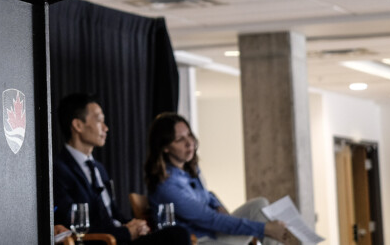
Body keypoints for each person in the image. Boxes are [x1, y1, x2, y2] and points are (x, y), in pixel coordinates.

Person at [53, 93, 191, 245]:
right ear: (78, 125)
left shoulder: (98, 168)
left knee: (176, 233)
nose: (106, 128)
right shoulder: (58, 170)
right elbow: (75, 226)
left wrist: (135, 225)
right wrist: (125, 232)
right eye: (99, 120)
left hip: (120, 237)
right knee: (178, 235)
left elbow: (114, 215)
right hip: (104, 241)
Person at [144, 112, 292, 245]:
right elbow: (209, 219)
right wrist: (264, 228)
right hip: (201, 241)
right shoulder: (166, 186)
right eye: (180, 139)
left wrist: (217, 204)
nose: (189, 143)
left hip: (213, 234)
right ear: (165, 148)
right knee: (268, 226)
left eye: (189, 135)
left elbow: (207, 195)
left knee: (260, 204)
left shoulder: (189, 170)